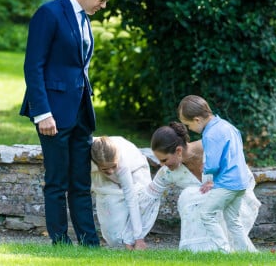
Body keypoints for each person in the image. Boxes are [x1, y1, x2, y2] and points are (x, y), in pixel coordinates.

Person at [19, 0, 117, 246]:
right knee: (57, 181)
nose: (104, 4)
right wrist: (42, 113)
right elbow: (33, 67)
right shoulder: (49, 14)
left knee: (81, 183)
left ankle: (90, 243)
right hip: (53, 113)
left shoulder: (84, 18)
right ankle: (60, 242)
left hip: (81, 112)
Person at [149, 122, 260, 252]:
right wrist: (136, 237)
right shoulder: (167, 172)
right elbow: (148, 198)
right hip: (208, 210)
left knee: (212, 197)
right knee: (190, 195)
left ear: (178, 151)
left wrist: (221, 183)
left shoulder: (212, 146)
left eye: (164, 160)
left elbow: (243, 175)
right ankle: (201, 250)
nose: (162, 165)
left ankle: (226, 249)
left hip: (235, 198)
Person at [177, 94, 258, 252]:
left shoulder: (210, 134)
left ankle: (224, 250)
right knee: (233, 220)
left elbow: (213, 164)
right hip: (241, 183)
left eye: (188, 125)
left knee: (206, 214)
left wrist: (205, 168)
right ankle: (247, 252)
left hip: (227, 184)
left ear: (197, 120)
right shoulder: (227, 126)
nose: (189, 129)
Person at [90, 136, 157, 250]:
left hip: (135, 173)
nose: (111, 171)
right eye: (106, 169)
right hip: (102, 177)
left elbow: (131, 199)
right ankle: (122, 241)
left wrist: (138, 238)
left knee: (141, 200)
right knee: (114, 239)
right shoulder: (89, 160)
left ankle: (132, 239)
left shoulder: (123, 162)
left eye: (113, 166)